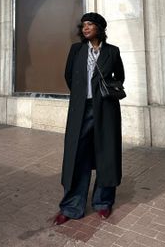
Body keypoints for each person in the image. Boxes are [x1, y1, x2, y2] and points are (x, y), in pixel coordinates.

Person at [54, 12, 125, 225]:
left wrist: (102, 92)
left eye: (90, 24)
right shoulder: (76, 50)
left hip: (106, 110)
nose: (85, 28)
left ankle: (103, 202)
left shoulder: (112, 52)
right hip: (81, 110)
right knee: (77, 156)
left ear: (100, 28)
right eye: (83, 25)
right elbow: (69, 76)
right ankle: (71, 205)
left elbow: (119, 76)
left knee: (106, 154)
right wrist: (81, 94)